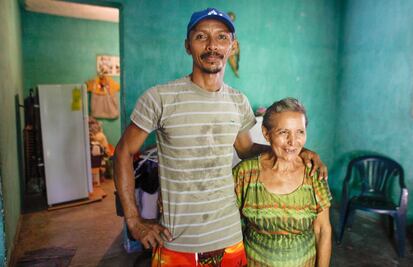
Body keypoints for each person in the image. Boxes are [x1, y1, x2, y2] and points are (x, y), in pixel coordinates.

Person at [114, 7, 327, 266]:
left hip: (230, 240)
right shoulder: (159, 98)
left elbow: (247, 149)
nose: (212, 45)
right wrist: (134, 220)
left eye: (222, 37)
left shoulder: (239, 101)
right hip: (178, 241)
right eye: (201, 37)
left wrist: (296, 151)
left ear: (232, 46)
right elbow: (123, 152)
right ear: (187, 45)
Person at [233, 98, 332, 267]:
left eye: (300, 132)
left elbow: (322, 231)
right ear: (266, 133)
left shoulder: (313, 172)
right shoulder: (245, 173)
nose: (292, 142)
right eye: (283, 132)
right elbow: (229, 226)